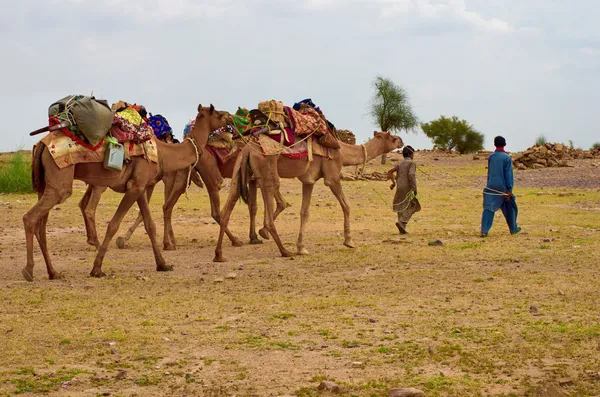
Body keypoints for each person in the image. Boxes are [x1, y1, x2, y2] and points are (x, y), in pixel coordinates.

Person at [480, 136, 522, 237]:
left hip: (491, 187)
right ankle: (513, 229)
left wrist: (488, 185)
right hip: (503, 188)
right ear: (505, 144)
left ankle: (484, 231)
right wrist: (509, 189)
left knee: (488, 208)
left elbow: (489, 173)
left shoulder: (491, 157)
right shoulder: (507, 158)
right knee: (511, 207)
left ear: (494, 144)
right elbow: (508, 175)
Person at [387, 146, 421, 234]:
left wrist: (393, 183)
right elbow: (411, 175)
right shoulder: (411, 163)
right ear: (411, 154)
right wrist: (414, 188)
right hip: (407, 187)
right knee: (414, 205)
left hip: (399, 187)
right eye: (413, 153)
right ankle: (402, 222)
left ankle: (402, 228)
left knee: (401, 205)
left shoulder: (400, 163)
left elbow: (390, 172)